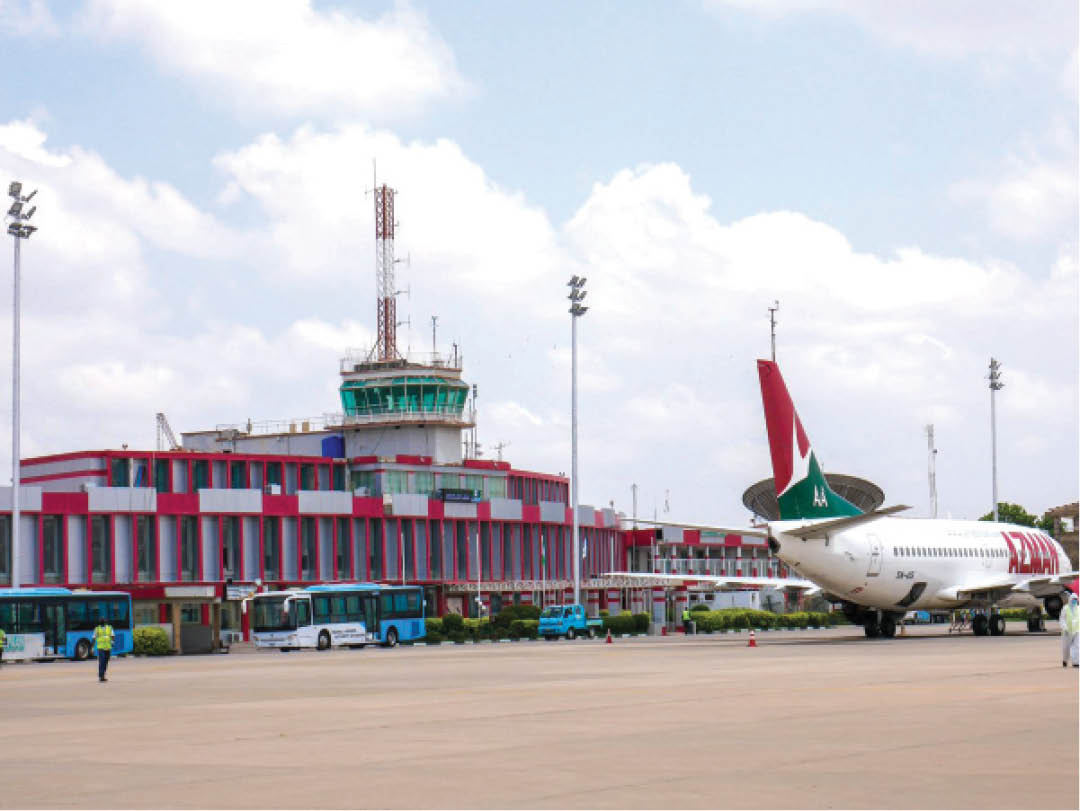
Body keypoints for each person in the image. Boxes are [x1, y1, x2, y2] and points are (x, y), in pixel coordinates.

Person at [92, 616, 115, 682]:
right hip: (100, 648)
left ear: (105, 622)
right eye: (101, 621)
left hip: (108, 647)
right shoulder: (97, 629)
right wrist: (93, 647)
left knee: (106, 661)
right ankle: (101, 676)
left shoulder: (109, 628)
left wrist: (113, 642)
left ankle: (103, 674)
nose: (102, 622)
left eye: (103, 621)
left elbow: (112, 635)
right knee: (102, 661)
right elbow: (94, 638)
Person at [1060, 592, 1079, 669]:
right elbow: (1062, 619)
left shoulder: (1078, 608)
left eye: (1076, 599)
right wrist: (1065, 628)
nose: (1074, 601)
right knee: (1066, 648)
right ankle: (1065, 660)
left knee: (1077, 647)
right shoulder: (1065, 608)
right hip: (1067, 632)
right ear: (1070, 599)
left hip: (1077, 631)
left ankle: (1076, 662)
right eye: (1073, 599)